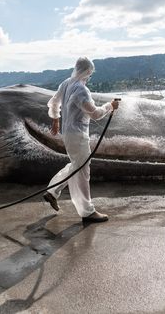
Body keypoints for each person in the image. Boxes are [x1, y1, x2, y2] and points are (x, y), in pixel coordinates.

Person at [43, 57, 119, 223]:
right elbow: (96, 114)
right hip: (78, 135)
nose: (89, 77)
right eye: (89, 74)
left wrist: (56, 119)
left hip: (68, 135)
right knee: (83, 172)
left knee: (76, 165)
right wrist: (110, 106)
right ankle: (87, 212)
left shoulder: (66, 83)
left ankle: (53, 190)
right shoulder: (81, 90)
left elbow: (54, 102)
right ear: (87, 72)